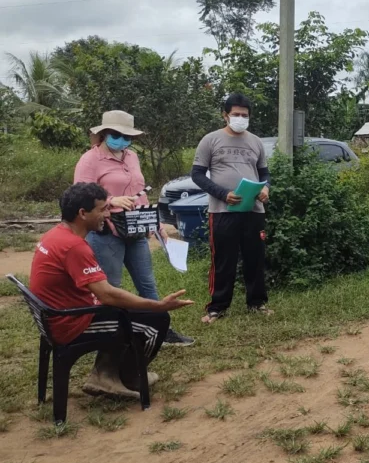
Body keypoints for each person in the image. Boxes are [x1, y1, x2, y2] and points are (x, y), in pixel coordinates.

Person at [30, 183, 193, 398]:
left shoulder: (56, 234)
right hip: (70, 323)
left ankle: (107, 374)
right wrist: (159, 305)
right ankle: (130, 376)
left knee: (128, 309)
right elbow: (106, 294)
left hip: (57, 316)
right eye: (102, 209)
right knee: (157, 319)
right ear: (82, 213)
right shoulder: (74, 246)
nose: (107, 215)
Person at [74, 110, 195, 348]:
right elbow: (80, 194)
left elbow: (139, 193)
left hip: (136, 229)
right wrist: (111, 200)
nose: (122, 140)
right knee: (111, 287)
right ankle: (109, 336)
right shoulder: (90, 159)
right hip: (106, 230)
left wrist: (155, 222)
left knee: (147, 282)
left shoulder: (131, 158)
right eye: (117, 134)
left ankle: (160, 329)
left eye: (127, 136)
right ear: (105, 134)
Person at [191, 93, 270, 324]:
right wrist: (223, 194)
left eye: (244, 115)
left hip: (253, 210)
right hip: (222, 211)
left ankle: (257, 303)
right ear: (225, 115)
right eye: (235, 114)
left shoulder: (255, 142)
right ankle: (217, 308)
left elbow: (264, 173)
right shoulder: (210, 140)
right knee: (223, 260)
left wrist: (266, 188)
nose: (240, 118)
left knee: (255, 258)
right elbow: (196, 174)